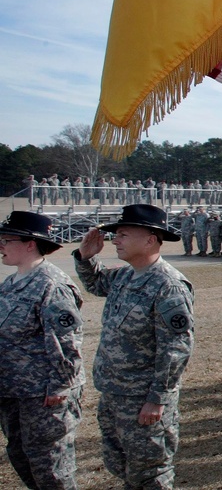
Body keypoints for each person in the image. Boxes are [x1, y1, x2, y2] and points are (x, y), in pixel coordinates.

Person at [74, 204, 195, 490]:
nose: (115, 240)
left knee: (150, 473)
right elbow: (95, 283)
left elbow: (176, 347)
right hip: (115, 391)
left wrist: (157, 398)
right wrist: (85, 257)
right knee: (121, 464)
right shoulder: (125, 276)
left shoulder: (168, 285)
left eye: (123, 234)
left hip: (142, 396)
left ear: (150, 239)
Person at [0, 212, 85, 490]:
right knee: (21, 457)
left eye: (6, 239)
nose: (0, 245)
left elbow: (67, 341)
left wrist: (60, 387)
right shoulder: (11, 283)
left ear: (30, 244)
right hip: (14, 391)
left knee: (51, 470)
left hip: (44, 395)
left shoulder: (51, 284)